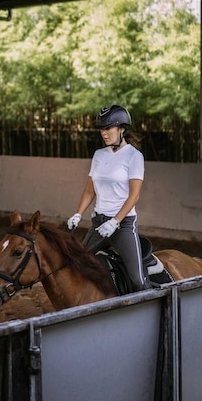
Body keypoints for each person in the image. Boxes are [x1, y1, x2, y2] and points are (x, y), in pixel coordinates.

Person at [67, 104, 150, 291]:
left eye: (108, 128)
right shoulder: (99, 155)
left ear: (122, 129)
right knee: (76, 266)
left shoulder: (134, 156)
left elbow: (134, 196)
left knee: (137, 279)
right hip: (98, 224)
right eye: (101, 130)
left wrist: (115, 222)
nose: (104, 133)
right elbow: (90, 191)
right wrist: (78, 214)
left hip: (123, 225)